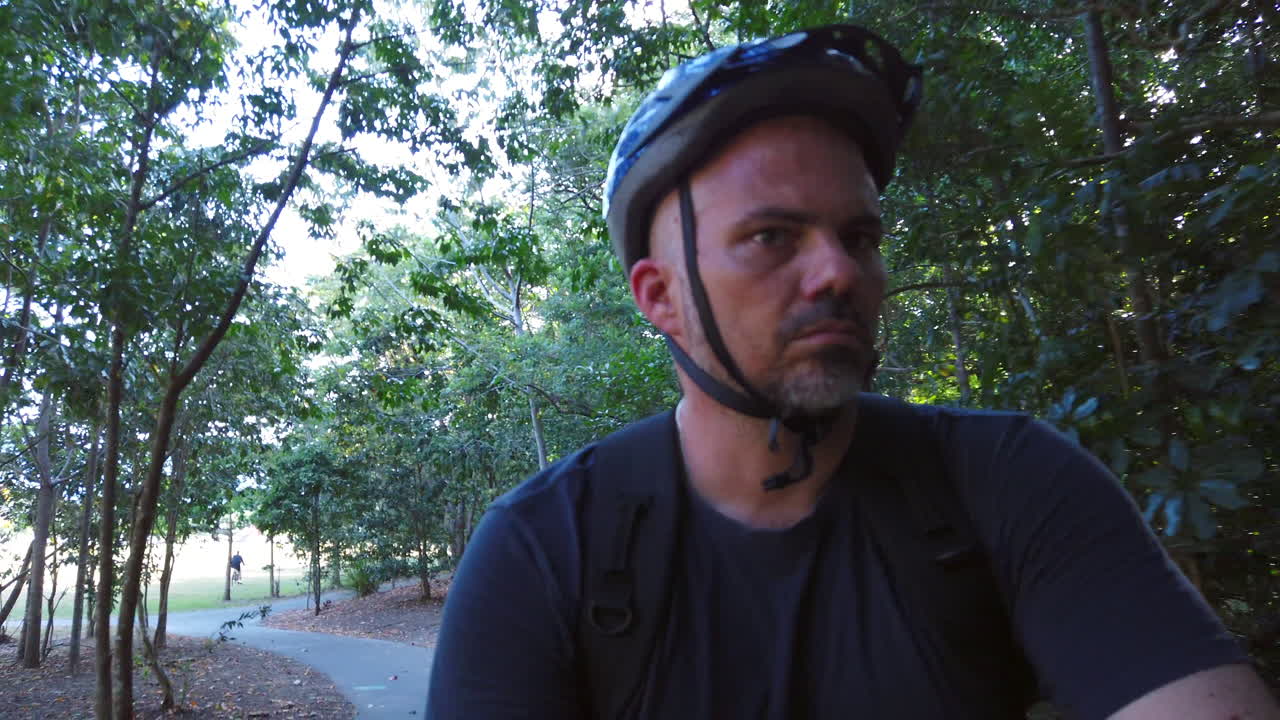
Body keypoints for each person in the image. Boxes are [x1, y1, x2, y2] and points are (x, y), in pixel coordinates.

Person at [426, 24, 1279, 719]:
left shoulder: (1008, 482)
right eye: (773, 237)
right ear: (661, 298)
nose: (838, 273)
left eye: (859, 237)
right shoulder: (546, 550)